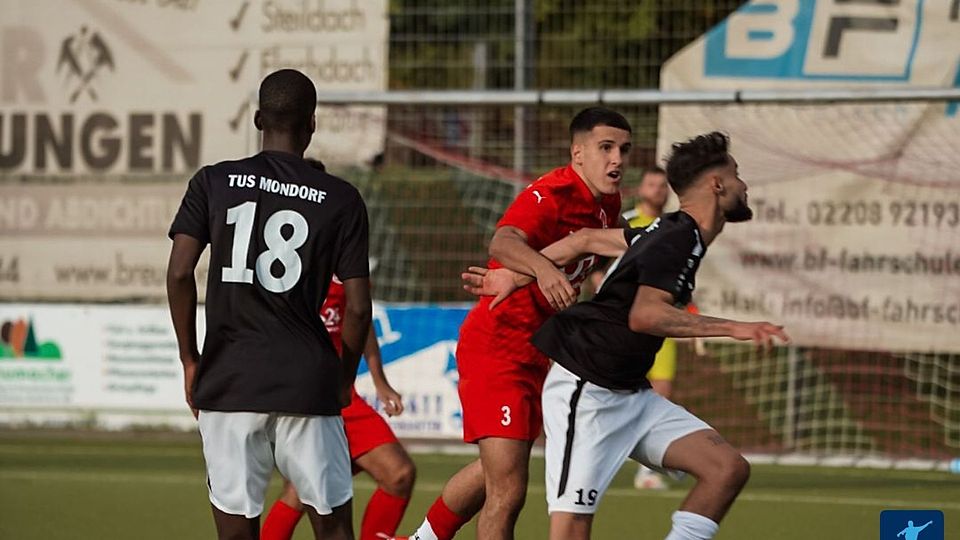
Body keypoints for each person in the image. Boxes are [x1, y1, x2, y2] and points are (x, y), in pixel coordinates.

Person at [465, 132, 789, 540]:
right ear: (717, 185)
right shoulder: (677, 238)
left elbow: (582, 240)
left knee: (726, 469)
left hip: (631, 394)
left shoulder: (668, 229)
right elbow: (646, 316)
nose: (744, 185)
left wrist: (514, 274)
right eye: (737, 175)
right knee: (570, 528)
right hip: (585, 389)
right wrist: (734, 327)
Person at [397, 107, 632, 540]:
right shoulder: (552, 193)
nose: (617, 159)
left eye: (623, 149)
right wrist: (543, 271)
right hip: (498, 347)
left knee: (498, 472)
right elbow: (503, 240)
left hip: (540, 354)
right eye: (606, 148)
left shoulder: (608, 205)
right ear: (577, 153)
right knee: (508, 492)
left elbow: (588, 249)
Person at [166, 69, 371, 540]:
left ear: (258, 118)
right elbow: (358, 307)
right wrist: (343, 379)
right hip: (307, 382)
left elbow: (179, 274)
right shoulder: (341, 198)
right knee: (334, 529)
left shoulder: (212, 181)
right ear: (312, 125)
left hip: (229, 380)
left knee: (237, 533)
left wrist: (189, 358)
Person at [262, 270, 416, 540]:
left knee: (398, 474)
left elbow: (360, 316)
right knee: (300, 489)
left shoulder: (350, 263)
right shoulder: (291, 257)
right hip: (303, 393)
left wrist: (379, 380)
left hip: (342, 395)